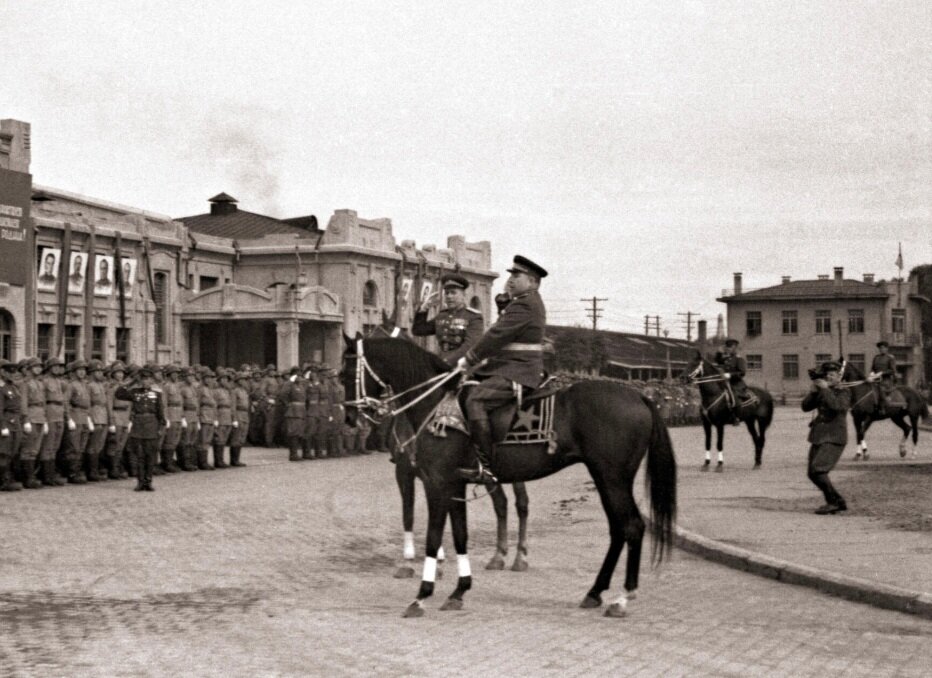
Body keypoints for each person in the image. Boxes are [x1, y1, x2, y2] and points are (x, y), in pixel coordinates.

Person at [457, 255, 548, 483]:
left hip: (518, 370)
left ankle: (488, 465)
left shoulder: (526, 303)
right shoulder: (524, 302)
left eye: (517, 276)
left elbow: (496, 335)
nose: (510, 280)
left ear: (533, 282)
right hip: (509, 367)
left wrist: (469, 359)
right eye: (510, 275)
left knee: (475, 400)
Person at [801, 360, 850, 514]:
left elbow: (837, 407)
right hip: (819, 436)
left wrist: (825, 389)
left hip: (835, 437)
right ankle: (838, 501)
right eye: (827, 374)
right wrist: (814, 392)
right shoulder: (823, 390)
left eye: (832, 374)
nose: (829, 377)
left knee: (818, 470)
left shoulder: (844, 391)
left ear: (839, 377)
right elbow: (805, 407)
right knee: (812, 472)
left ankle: (833, 502)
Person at [412, 274, 485, 365]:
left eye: (453, 293)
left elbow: (470, 345)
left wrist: (447, 362)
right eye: (447, 293)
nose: (449, 296)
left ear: (463, 295)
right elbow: (418, 330)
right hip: (441, 361)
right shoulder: (442, 315)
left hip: (462, 365)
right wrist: (424, 308)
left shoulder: (473, 317)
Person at [115, 366, 166, 491]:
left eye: (148, 379)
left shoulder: (156, 394)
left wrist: (160, 427)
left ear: (152, 381)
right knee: (140, 455)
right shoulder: (135, 392)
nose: (145, 382)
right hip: (138, 425)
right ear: (140, 381)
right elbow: (119, 393)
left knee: (150, 455)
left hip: (151, 425)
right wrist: (132, 381)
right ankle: (140, 481)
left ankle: (148, 481)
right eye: (143, 379)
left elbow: (160, 412)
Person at [0, 360, 24, 491]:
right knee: (4, 452)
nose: (12, 374)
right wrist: (2, 426)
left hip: (15, 421)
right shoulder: (1, 388)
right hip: (6, 420)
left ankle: (8, 478)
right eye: (9, 371)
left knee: (13, 451)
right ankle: (4, 480)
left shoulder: (13, 387)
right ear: (2, 372)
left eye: (13, 371)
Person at [714, 338, 749, 424]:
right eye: (727, 347)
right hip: (724, 382)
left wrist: (730, 375)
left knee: (734, 396)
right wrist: (719, 353)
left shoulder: (739, 359)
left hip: (736, 383)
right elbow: (717, 361)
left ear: (735, 348)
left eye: (731, 347)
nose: (728, 349)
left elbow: (742, 372)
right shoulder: (725, 358)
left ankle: (736, 417)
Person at [870, 340, 897, 415]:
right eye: (880, 348)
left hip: (886, 380)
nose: (881, 349)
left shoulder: (890, 358)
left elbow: (892, 370)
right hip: (876, 379)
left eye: (883, 348)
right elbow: (873, 368)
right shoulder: (876, 357)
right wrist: (872, 373)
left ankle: (882, 408)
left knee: (881, 389)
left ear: (887, 348)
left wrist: (882, 373)